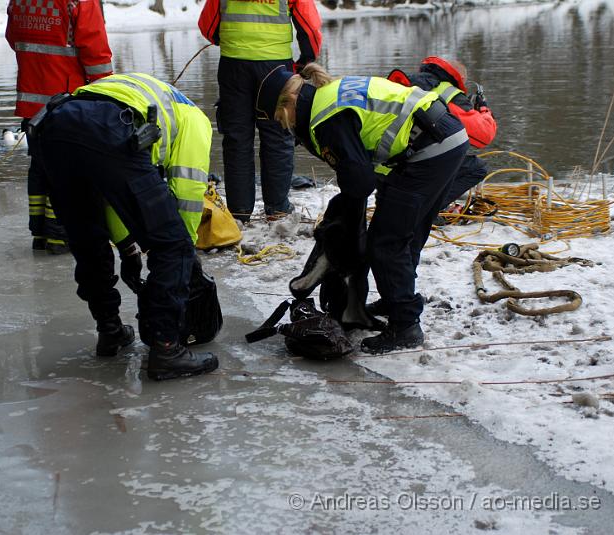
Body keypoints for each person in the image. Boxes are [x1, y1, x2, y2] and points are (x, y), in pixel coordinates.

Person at [256, 63, 469, 354]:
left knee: (386, 241)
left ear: (290, 102)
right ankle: (395, 298)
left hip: (429, 148)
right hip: (444, 136)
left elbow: (358, 181)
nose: (288, 127)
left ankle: (405, 325)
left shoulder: (324, 118)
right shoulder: (326, 96)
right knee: (405, 230)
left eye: (284, 120)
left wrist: (344, 224)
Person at [29, 73, 219, 380]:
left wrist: (128, 246)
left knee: (88, 240)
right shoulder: (195, 120)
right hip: (109, 127)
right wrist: (184, 256)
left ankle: (110, 332)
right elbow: (187, 193)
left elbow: (109, 189)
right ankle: (167, 350)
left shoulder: (139, 92)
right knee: (174, 243)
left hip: (54, 127)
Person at [198, 0, 323, 222]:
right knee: (278, 135)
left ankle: (239, 211)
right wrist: (306, 60)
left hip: (233, 66)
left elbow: (207, 25)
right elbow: (309, 25)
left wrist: (228, 40)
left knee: (237, 138)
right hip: (276, 66)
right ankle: (278, 209)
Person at [5, 0, 113, 254]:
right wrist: (108, 95)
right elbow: (96, 52)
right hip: (68, 102)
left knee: (41, 168)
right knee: (68, 172)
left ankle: (40, 232)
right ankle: (60, 235)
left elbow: (14, 38)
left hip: (32, 102)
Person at [387, 56, 498, 214]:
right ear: (462, 78)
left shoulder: (408, 82)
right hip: (412, 167)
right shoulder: (449, 93)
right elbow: (484, 136)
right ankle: (429, 210)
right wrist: (483, 109)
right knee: (477, 168)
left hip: (382, 165)